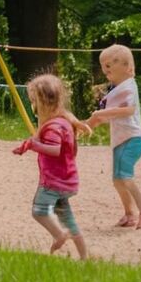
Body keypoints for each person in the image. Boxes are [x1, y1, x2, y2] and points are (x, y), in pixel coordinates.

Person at [12, 74, 90, 259]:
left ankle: (59, 235)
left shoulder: (54, 126)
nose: (33, 106)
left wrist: (33, 145)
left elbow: (54, 150)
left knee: (39, 211)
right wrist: (28, 145)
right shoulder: (64, 121)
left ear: (42, 101)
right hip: (68, 181)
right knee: (69, 220)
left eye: (34, 100)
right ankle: (84, 257)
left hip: (53, 182)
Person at [86, 44, 141, 229]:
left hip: (133, 137)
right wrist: (83, 127)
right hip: (120, 141)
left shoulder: (129, 86)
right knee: (117, 179)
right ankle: (129, 214)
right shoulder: (116, 91)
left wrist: (98, 116)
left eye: (110, 64)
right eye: (104, 65)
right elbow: (102, 116)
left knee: (125, 176)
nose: (105, 69)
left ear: (127, 67)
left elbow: (129, 110)